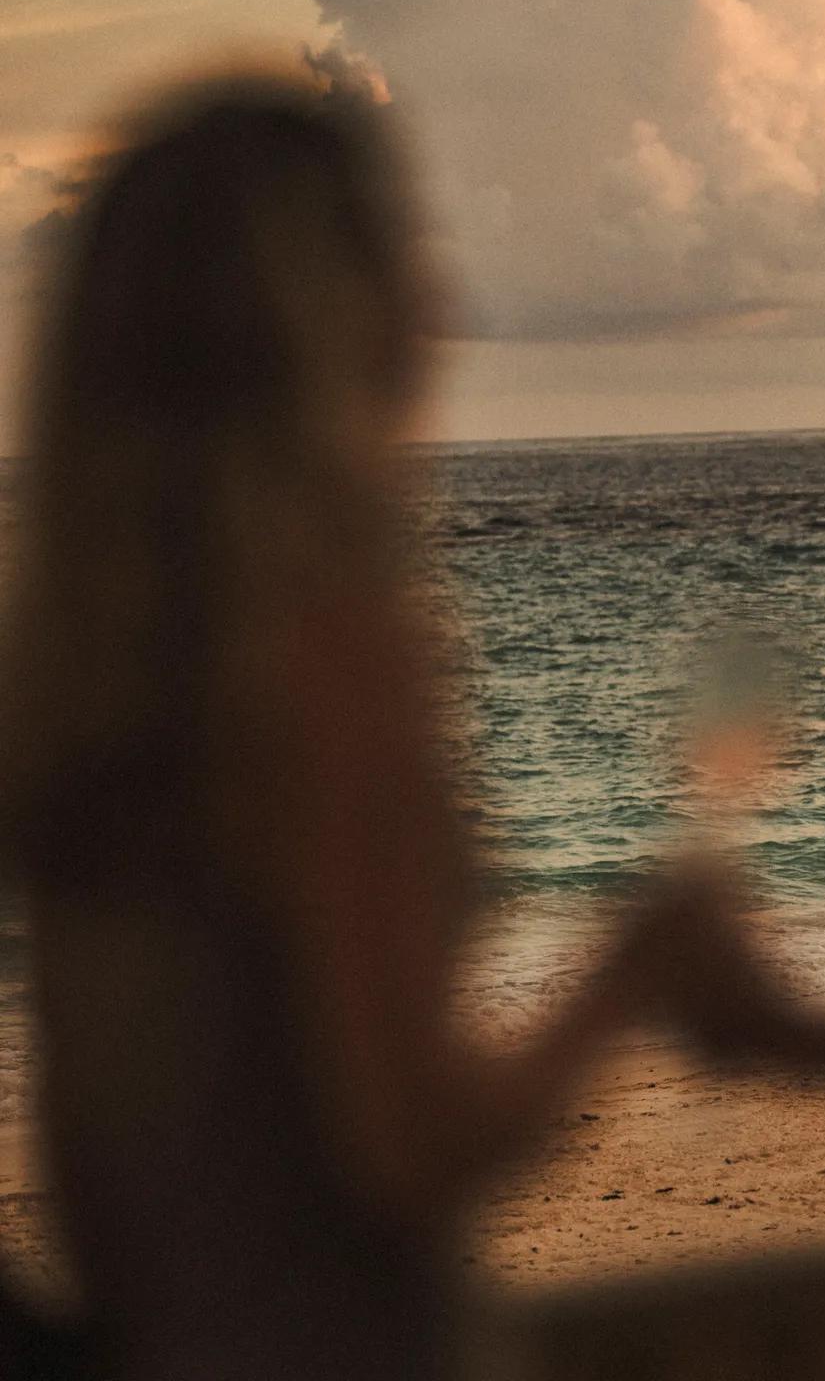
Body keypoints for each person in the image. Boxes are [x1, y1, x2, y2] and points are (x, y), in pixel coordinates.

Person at [0, 67, 696, 1380]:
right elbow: (415, 1145)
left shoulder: (75, 687)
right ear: (338, 315)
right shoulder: (331, 655)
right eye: (403, 253)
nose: (438, 307)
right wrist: (642, 966)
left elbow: (94, 1166)